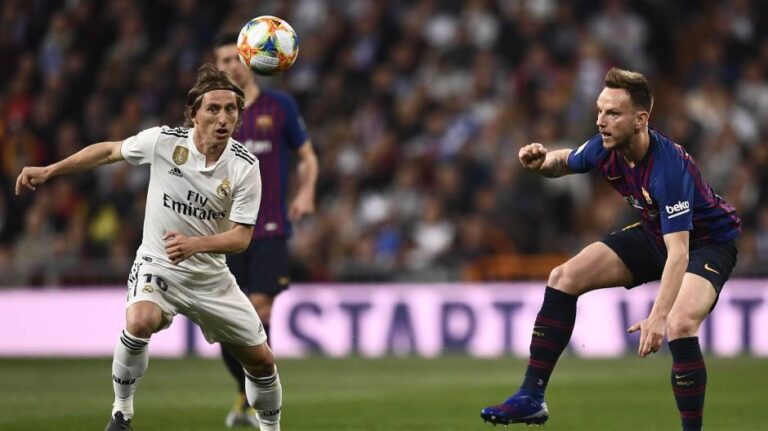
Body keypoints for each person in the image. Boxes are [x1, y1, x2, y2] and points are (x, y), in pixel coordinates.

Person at [15, 64, 283, 431]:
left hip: (210, 278)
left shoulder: (245, 166)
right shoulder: (163, 142)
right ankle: (121, 413)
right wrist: (50, 170)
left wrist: (196, 245)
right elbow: (109, 152)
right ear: (194, 113)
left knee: (263, 362)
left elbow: (241, 237)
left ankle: (271, 428)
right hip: (159, 265)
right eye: (213, 109)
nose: (223, 118)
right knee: (140, 321)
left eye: (230, 109)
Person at [480, 68, 740, 431]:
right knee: (563, 277)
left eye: (613, 113)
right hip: (656, 234)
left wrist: (658, 316)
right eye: (600, 111)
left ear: (640, 120)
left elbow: (679, 253)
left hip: (707, 243)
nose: (601, 121)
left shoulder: (668, 170)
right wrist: (541, 163)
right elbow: (565, 161)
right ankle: (530, 397)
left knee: (680, 324)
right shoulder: (605, 146)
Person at [213, 33, 318, 427]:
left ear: (252, 60)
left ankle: (260, 401)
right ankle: (245, 392)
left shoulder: (280, 106)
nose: (232, 66)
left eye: (236, 58)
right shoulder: (213, 113)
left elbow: (307, 157)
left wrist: (306, 191)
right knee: (227, 323)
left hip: (270, 226)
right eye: (224, 60)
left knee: (260, 309)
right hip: (223, 232)